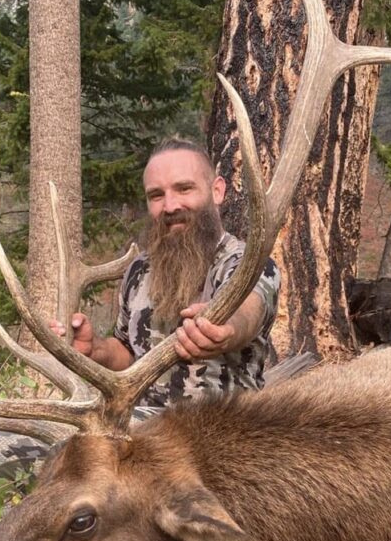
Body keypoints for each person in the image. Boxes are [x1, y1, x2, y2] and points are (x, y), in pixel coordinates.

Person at [51, 137, 281, 410]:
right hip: (144, 428)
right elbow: (128, 352)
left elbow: (249, 312)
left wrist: (225, 327)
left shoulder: (249, 264)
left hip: (221, 431)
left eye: (184, 189)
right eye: (156, 195)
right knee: (3, 442)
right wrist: (94, 349)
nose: (170, 206)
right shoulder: (140, 270)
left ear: (217, 191)